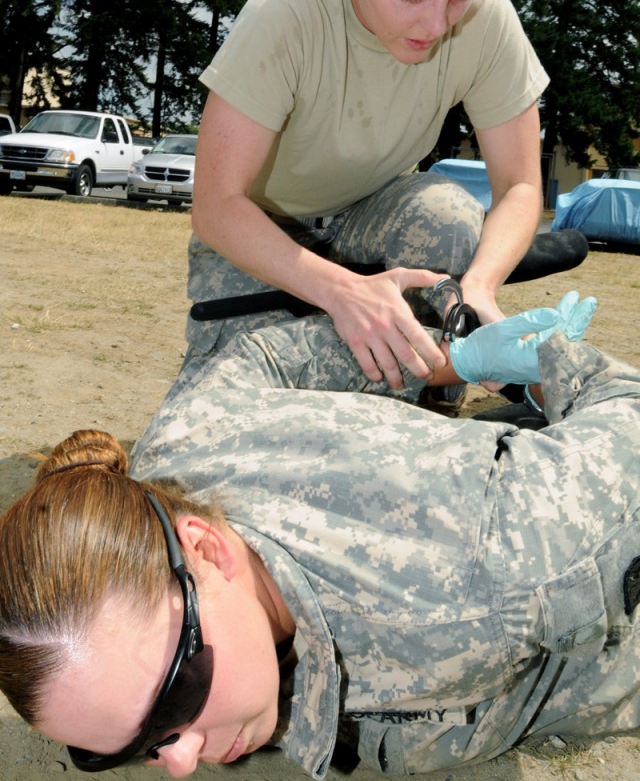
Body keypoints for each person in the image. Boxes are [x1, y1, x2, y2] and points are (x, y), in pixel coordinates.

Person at [4, 293, 640, 780]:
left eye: (179, 697)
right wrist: (459, 360)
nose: (182, 763)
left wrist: (552, 370)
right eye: (124, 750)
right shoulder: (171, 454)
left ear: (203, 546)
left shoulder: (486, 585)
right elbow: (258, 357)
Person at [188, 0, 549, 397]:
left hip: (374, 222)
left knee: (447, 211)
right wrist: (340, 291)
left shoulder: (487, 17)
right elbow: (215, 207)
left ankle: (420, 401)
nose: (436, 24)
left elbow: (522, 183)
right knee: (220, 434)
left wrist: (479, 287)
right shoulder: (284, 15)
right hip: (262, 237)